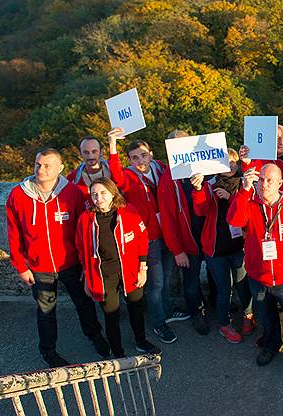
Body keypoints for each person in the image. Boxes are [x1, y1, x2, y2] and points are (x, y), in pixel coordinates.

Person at [6, 148, 109, 367]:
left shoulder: (72, 192)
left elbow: (84, 228)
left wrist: (85, 262)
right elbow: (13, 234)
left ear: (60, 168)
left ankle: (94, 335)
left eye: (46, 166)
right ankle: (48, 351)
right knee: (46, 311)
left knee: (84, 303)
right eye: (37, 164)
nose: (40, 169)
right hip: (39, 267)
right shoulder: (18, 195)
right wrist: (21, 267)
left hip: (71, 263)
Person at [227, 163, 283, 385]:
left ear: (280, 183)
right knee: (266, 319)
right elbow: (234, 221)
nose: (264, 185)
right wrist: (244, 189)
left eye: (270, 180)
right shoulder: (249, 204)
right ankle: (271, 345)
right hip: (258, 278)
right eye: (261, 180)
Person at [107, 128, 177, 344]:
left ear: (151, 154)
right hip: (149, 236)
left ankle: (166, 310)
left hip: (168, 232)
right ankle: (158, 323)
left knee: (166, 278)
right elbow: (116, 174)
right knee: (155, 284)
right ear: (129, 160)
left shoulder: (161, 169)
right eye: (134, 157)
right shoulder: (128, 177)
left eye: (143, 155)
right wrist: (112, 144)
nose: (140, 161)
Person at [76, 179, 160, 356]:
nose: (98, 198)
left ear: (113, 193)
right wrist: (87, 277)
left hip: (129, 270)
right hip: (103, 274)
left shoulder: (127, 211)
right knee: (111, 314)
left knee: (136, 308)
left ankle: (141, 341)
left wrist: (142, 268)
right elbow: (81, 249)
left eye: (103, 193)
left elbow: (141, 239)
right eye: (94, 195)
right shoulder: (85, 219)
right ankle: (117, 351)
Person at [192, 148, 255, 343]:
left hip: (239, 246)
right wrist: (198, 189)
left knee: (243, 285)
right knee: (223, 289)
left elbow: (248, 211)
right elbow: (201, 210)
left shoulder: (245, 183)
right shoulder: (210, 184)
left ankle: (248, 315)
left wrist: (230, 198)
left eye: (233, 162)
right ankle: (224, 324)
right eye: (225, 162)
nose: (229, 166)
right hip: (216, 247)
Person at [157, 129, 210, 336]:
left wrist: (199, 189)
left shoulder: (204, 168)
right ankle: (195, 312)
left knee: (216, 276)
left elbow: (207, 208)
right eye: (177, 145)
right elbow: (167, 221)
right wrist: (177, 251)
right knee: (191, 281)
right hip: (189, 241)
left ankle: (210, 303)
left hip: (210, 237)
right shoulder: (168, 178)